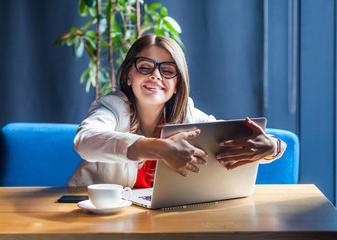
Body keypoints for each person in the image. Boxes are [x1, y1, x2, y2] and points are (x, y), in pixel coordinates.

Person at [67, 34, 286, 188]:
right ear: (128, 76)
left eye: (168, 70)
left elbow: (233, 136)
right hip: (94, 215)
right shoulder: (111, 107)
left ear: (176, 86)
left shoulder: (187, 114)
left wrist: (273, 146)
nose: (156, 75)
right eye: (145, 67)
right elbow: (85, 140)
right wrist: (157, 148)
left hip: (154, 218)